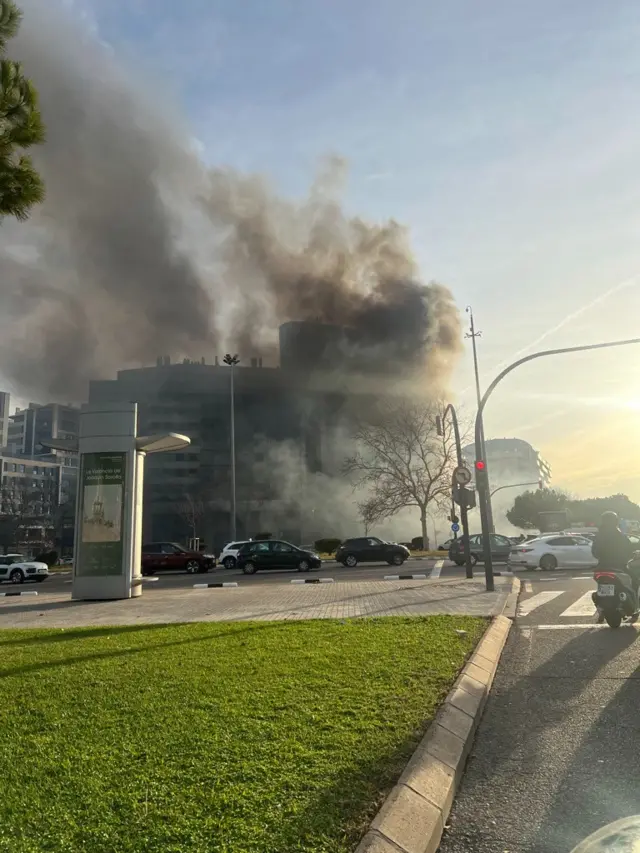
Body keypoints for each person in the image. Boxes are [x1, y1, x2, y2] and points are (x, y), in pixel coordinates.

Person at [591, 511, 637, 623]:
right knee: (635, 580)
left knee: (600, 585)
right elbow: (629, 549)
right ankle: (635, 608)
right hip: (619, 566)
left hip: (601, 567)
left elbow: (594, 552)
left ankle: (600, 609)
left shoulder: (599, 535)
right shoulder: (619, 535)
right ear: (615, 521)